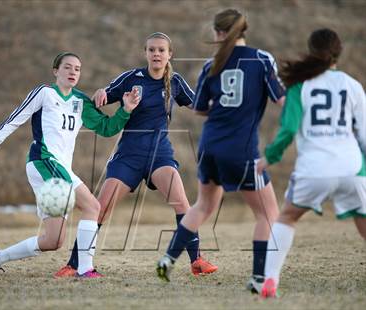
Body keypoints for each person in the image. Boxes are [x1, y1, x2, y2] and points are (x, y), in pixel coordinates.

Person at [54, 32, 218, 278]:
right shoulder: (131, 78)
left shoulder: (175, 82)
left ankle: (197, 261)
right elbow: (105, 96)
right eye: (152, 50)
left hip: (160, 155)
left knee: (182, 203)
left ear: (169, 54)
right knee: (100, 209)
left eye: (161, 50)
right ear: (146, 53)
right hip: (128, 156)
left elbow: (199, 105)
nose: (156, 54)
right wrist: (100, 93)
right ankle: (74, 263)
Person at [0, 52, 140, 280]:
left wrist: (126, 109)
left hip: (58, 169)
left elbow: (107, 128)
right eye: (67, 67)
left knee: (53, 240)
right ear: (56, 71)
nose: (73, 72)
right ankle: (85, 270)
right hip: (43, 161)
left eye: (77, 68)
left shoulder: (81, 101)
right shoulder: (44, 93)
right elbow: (15, 118)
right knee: (93, 207)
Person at [156, 9, 285, 292]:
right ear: (243, 31)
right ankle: (258, 278)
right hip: (241, 149)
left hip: (210, 146)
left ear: (218, 33)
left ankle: (167, 259)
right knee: (268, 215)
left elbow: (200, 108)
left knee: (203, 206)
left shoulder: (211, 64)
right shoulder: (261, 59)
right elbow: (281, 99)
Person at [255, 28, 366, 298]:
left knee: (288, 217)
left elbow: (289, 129)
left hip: (314, 170)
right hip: (352, 167)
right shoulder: (353, 86)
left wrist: (270, 156)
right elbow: (363, 134)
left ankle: (269, 279)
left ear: (311, 50)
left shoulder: (299, 86)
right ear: (338, 52)